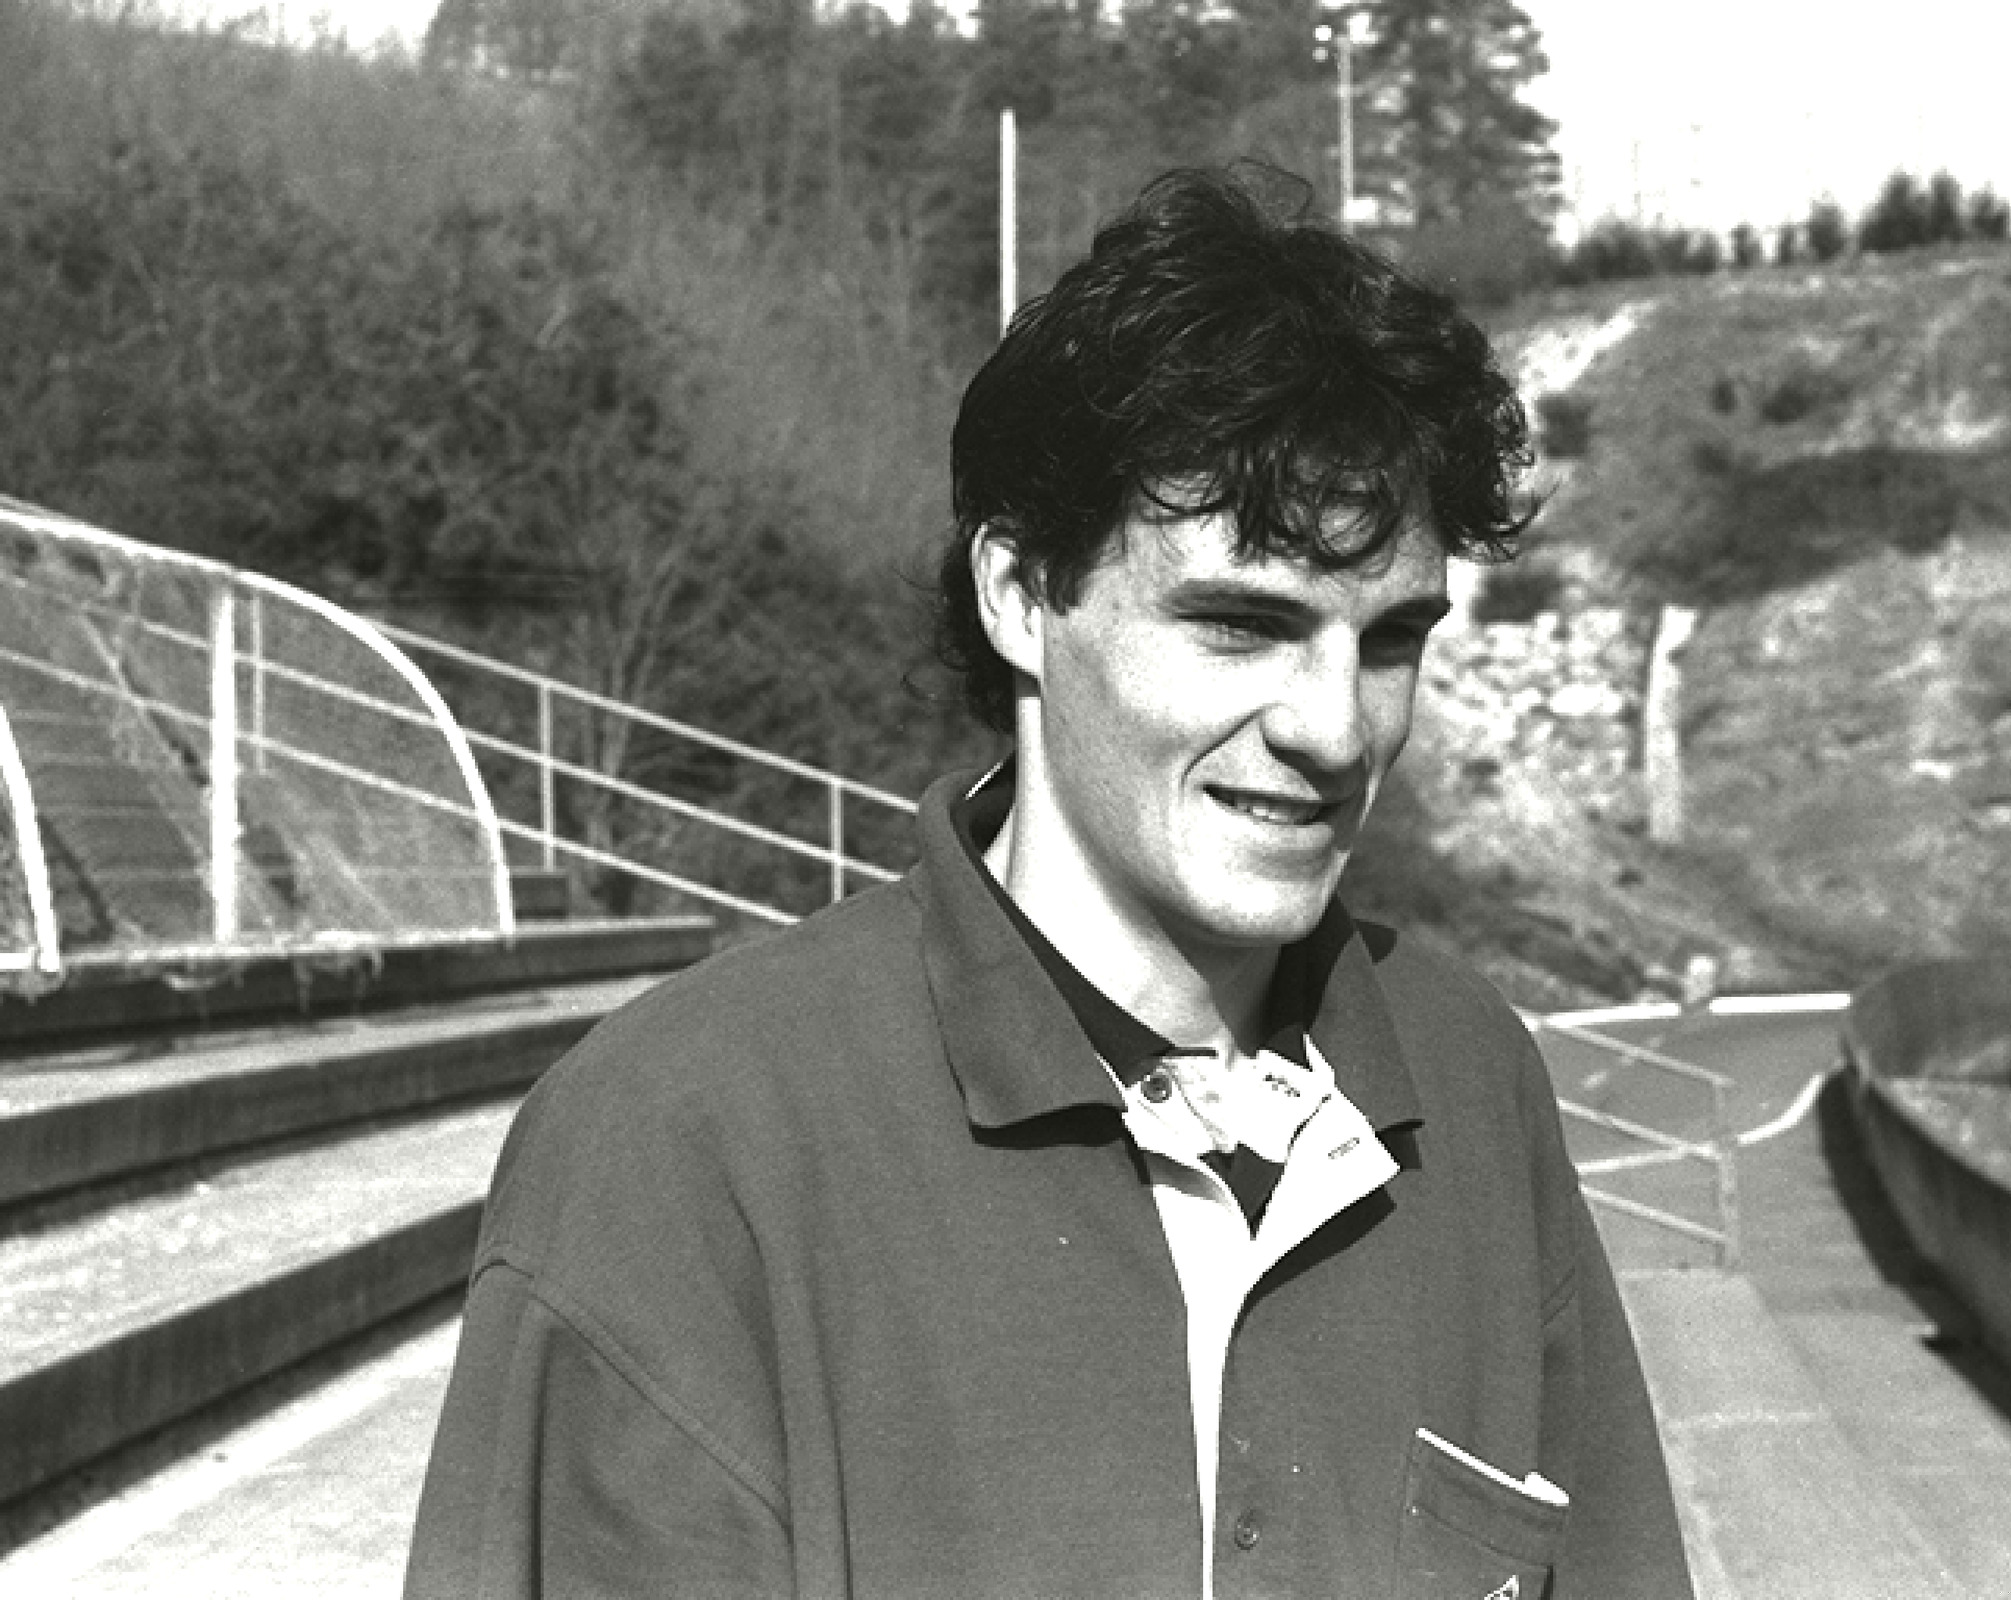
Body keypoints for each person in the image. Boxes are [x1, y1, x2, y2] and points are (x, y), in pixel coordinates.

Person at [404, 166, 1691, 1600]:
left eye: (1389, 640)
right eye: (1241, 623)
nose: (1336, 729)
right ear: (1021, 595)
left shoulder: (1471, 1084)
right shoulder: (683, 1142)